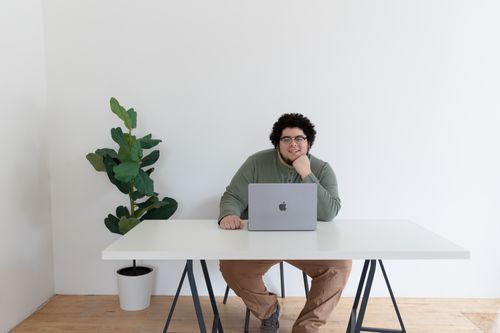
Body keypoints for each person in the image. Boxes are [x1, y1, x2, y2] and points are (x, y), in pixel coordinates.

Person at [218, 113, 352, 333]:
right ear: (277, 143)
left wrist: (307, 173)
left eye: (300, 138)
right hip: (261, 242)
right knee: (231, 265)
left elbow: (329, 212)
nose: (294, 144)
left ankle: (306, 327)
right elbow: (233, 196)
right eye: (286, 139)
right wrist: (228, 215)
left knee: (340, 266)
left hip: (308, 245)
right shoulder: (256, 162)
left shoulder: (322, 169)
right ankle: (268, 311)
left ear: (308, 142)